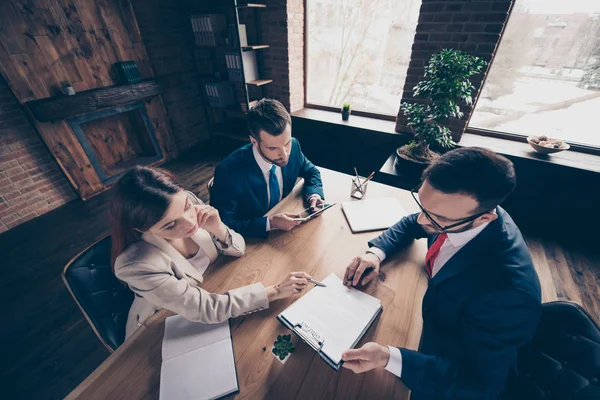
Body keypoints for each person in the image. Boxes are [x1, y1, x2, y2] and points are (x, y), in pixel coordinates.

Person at [341, 148, 541, 399]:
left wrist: (389, 357)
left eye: (436, 218)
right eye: (422, 205)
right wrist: (375, 254)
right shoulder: (457, 213)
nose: (423, 220)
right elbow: (411, 222)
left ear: (484, 219)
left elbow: (478, 386)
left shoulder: (510, 294)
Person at [110, 166, 312, 339]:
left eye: (187, 208)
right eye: (171, 225)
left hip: (214, 287)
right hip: (163, 323)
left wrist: (218, 228)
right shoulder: (135, 265)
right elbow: (204, 308)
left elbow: (238, 248)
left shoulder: (187, 199)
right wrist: (275, 291)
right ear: (142, 229)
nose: (190, 223)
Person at [210, 99, 325, 238]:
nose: (284, 154)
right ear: (254, 142)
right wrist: (270, 223)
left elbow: (311, 171)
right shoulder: (227, 173)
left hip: (287, 232)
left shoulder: (294, 146)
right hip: (252, 240)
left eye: (286, 143)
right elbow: (223, 225)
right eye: (273, 148)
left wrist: (314, 195)